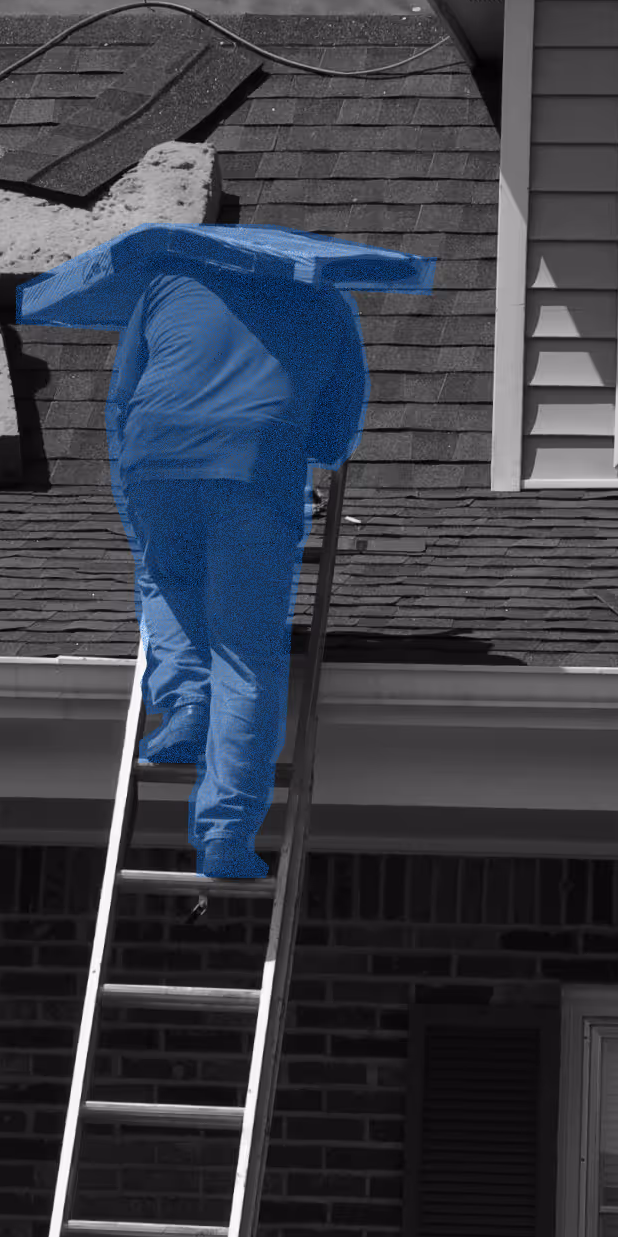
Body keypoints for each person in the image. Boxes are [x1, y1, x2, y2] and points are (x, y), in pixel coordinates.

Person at [108, 261, 368, 878]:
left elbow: (122, 396)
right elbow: (335, 436)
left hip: (156, 452)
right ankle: (225, 835)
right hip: (253, 466)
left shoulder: (168, 282)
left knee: (168, 581)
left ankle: (186, 707)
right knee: (245, 651)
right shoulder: (326, 301)